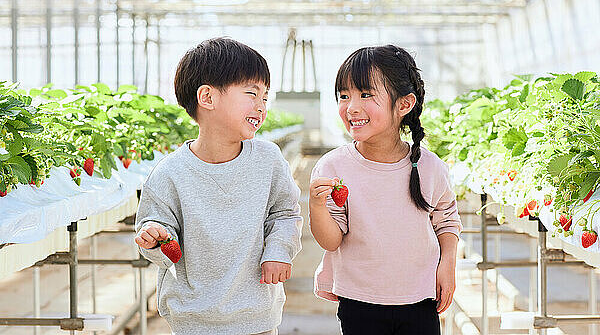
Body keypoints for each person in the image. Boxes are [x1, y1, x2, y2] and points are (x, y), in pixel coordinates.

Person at [134, 37, 303, 335]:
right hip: (193, 320)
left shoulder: (267, 160)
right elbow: (161, 243)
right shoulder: (170, 174)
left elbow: (285, 214)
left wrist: (278, 250)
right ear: (208, 98)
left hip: (256, 317)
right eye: (251, 93)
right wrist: (156, 237)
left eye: (265, 97)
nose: (261, 106)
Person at [309, 45, 462, 335]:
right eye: (344, 96)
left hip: (420, 297)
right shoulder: (334, 167)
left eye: (365, 95)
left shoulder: (429, 167)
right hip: (359, 300)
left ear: (404, 105)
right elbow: (331, 241)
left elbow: (447, 220)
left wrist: (448, 265)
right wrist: (316, 207)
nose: (352, 107)